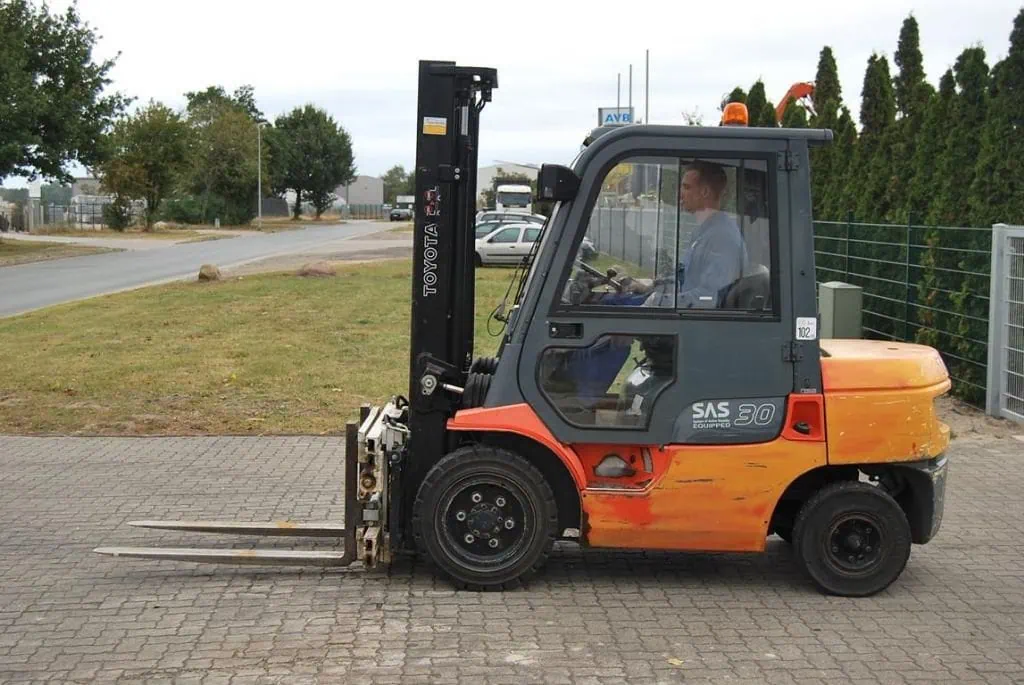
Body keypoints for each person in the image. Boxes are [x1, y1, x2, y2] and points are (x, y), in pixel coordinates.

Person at [645, 161, 749, 309]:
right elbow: (685, 278)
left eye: (686, 187)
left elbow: (708, 298)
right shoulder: (704, 231)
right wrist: (650, 287)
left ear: (705, 192)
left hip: (695, 324)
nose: (680, 193)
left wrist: (657, 302)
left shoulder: (722, 238)